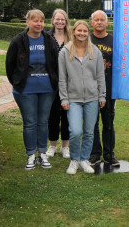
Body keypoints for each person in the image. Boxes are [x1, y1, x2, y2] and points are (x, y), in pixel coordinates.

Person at [6, 9, 58, 170]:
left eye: (41, 21)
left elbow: (56, 63)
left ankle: (42, 153)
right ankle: (30, 155)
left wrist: (55, 82)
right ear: (27, 22)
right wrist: (17, 82)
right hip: (25, 90)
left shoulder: (49, 40)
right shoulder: (18, 40)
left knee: (43, 122)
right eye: (35, 21)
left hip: (47, 89)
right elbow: (10, 65)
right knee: (30, 123)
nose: (39, 24)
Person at [59, 20, 106, 175]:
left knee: (89, 131)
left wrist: (102, 95)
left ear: (88, 33)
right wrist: (64, 98)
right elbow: (62, 78)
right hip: (73, 99)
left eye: (85, 31)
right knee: (75, 131)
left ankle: (84, 159)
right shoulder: (65, 52)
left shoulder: (95, 51)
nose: (82, 33)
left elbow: (100, 76)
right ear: (73, 31)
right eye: (79, 31)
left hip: (92, 98)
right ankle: (74, 160)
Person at [88, 10, 119, 167]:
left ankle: (108, 154)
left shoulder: (114, 41)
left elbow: (120, 66)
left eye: (102, 20)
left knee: (108, 123)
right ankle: (95, 153)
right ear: (92, 23)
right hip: (89, 88)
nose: (99, 22)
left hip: (108, 88)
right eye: (96, 20)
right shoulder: (85, 40)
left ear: (107, 23)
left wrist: (119, 89)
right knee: (92, 123)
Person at [46, 9, 72, 159]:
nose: (60, 22)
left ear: (66, 21)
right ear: (53, 20)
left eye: (62, 20)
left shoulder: (71, 37)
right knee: (53, 115)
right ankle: (52, 146)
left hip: (69, 82)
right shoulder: (47, 37)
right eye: (57, 19)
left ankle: (65, 147)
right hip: (52, 82)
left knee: (67, 115)